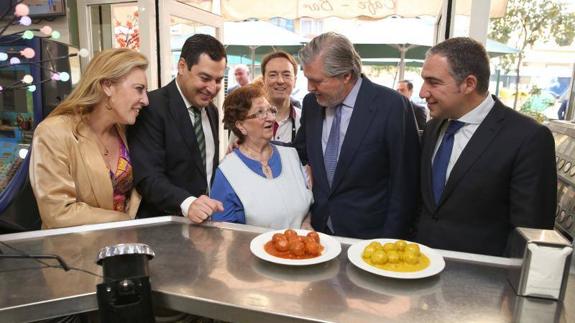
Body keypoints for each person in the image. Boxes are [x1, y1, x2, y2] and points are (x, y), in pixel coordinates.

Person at [415, 37, 557, 256]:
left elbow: (530, 231)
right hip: (419, 264)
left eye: (433, 82)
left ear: (469, 84)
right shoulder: (434, 128)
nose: (423, 92)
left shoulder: (528, 138)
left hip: (482, 278)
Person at [294, 32, 420, 239]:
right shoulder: (311, 104)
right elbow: (300, 151)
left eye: (316, 81)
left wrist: (388, 242)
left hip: (369, 238)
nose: (309, 88)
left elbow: (404, 184)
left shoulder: (392, 106)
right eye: (307, 79)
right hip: (317, 233)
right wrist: (253, 147)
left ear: (346, 76)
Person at [29, 48, 149, 229]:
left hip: (120, 249)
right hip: (74, 253)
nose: (145, 100)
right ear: (107, 86)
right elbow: (58, 212)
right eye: (139, 89)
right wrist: (121, 220)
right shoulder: (53, 132)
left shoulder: (124, 129)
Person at [128, 34, 225, 222]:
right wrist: (188, 204)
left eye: (219, 80)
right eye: (205, 78)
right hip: (164, 228)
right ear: (182, 66)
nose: (212, 88)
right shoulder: (152, 107)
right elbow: (148, 177)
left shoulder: (211, 110)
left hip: (203, 225)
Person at [211, 85, 313, 229]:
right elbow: (222, 232)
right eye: (260, 112)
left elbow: (309, 203)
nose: (271, 118)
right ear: (241, 126)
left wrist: (307, 222)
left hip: (301, 247)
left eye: (270, 110)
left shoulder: (292, 155)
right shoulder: (227, 172)